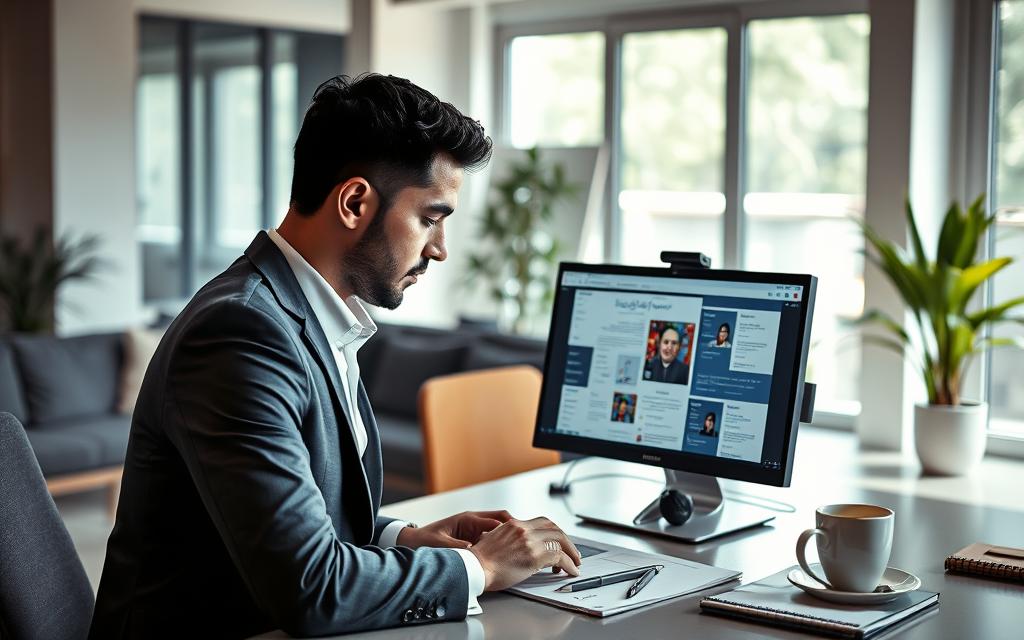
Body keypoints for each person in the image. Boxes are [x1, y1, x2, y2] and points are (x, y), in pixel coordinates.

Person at [89, 74, 581, 640]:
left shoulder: (310, 317)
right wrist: (483, 567)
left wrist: (403, 538)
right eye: (430, 218)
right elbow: (310, 587)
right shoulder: (240, 332)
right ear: (353, 203)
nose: (440, 249)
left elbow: (299, 513)